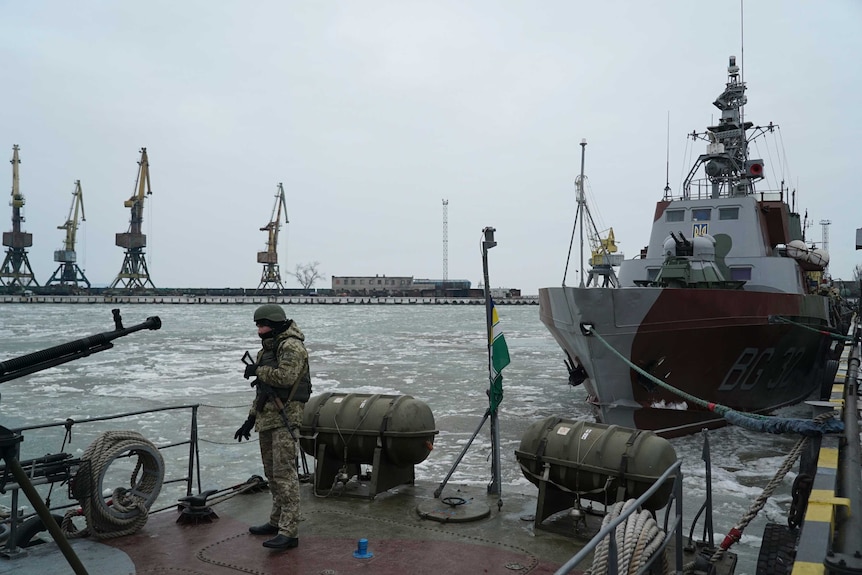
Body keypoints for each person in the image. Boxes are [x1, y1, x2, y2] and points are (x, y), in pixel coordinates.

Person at [234, 304, 312, 550]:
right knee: (271, 474)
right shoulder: (267, 349)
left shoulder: (291, 346)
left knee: (285, 475)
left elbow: (286, 377)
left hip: (286, 417)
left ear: (275, 323)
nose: (259, 330)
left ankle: (289, 532)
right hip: (267, 418)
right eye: (257, 325)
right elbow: (263, 391)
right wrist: (250, 419)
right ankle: (276, 520)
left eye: (263, 325)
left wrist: (259, 370)